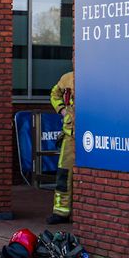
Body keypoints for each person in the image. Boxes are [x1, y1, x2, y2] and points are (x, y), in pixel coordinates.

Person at [48, 70, 75, 223]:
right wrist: (62, 110)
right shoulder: (67, 78)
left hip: (90, 135)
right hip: (70, 136)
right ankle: (60, 212)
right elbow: (54, 94)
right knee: (64, 173)